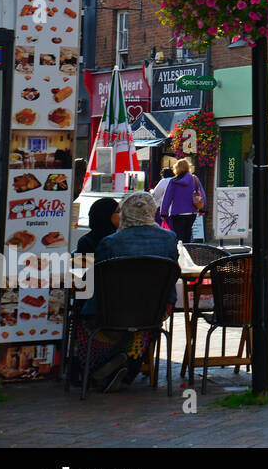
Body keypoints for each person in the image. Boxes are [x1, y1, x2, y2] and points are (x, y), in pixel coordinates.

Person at [73, 192, 179, 392]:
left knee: (85, 318)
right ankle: (126, 363)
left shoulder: (110, 242)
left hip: (113, 311)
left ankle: (102, 367)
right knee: (142, 327)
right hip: (154, 311)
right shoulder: (170, 239)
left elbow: (95, 279)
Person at [158, 158, 205, 243]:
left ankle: (180, 253)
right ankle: (187, 251)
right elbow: (202, 194)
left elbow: (167, 198)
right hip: (192, 212)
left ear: (176, 168)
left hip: (177, 213)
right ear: (188, 167)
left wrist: (163, 213)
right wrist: (203, 209)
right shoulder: (194, 179)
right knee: (188, 233)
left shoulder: (173, 181)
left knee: (179, 236)